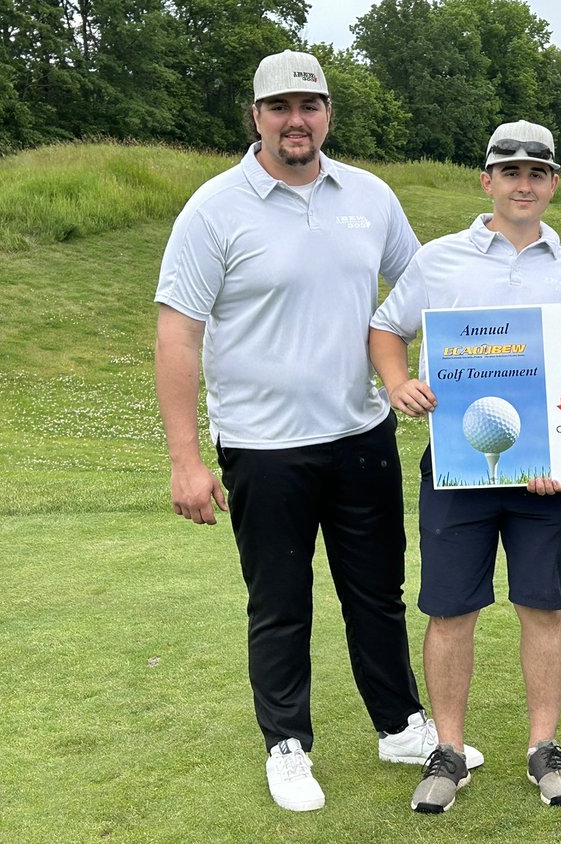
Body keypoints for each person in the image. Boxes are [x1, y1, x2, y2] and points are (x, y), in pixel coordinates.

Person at [154, 49, 481, 814]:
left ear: (328, 113)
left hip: (360, 433)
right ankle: (288, 744)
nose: (295, 121)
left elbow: (428, 291)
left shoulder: (369, 195)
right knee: (280, 601)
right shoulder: (214, 208)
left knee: (377, 593)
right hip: (263, 446)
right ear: (257, 117)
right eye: (279, 108)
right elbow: (178, 335)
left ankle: (401, 724)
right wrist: (185, 459)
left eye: (310, 106)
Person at [369, 120, 561, 814]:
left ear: (553, 183)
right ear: (486, 180)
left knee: (542, 606)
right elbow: (384, 328)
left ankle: (543, 747)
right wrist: (398, 381)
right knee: (450, 608)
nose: (524, 185)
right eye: (510, 172)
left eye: (538, 173)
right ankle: (450, 751)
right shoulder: (438, 259)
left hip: (543, 475)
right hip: (457, 467)